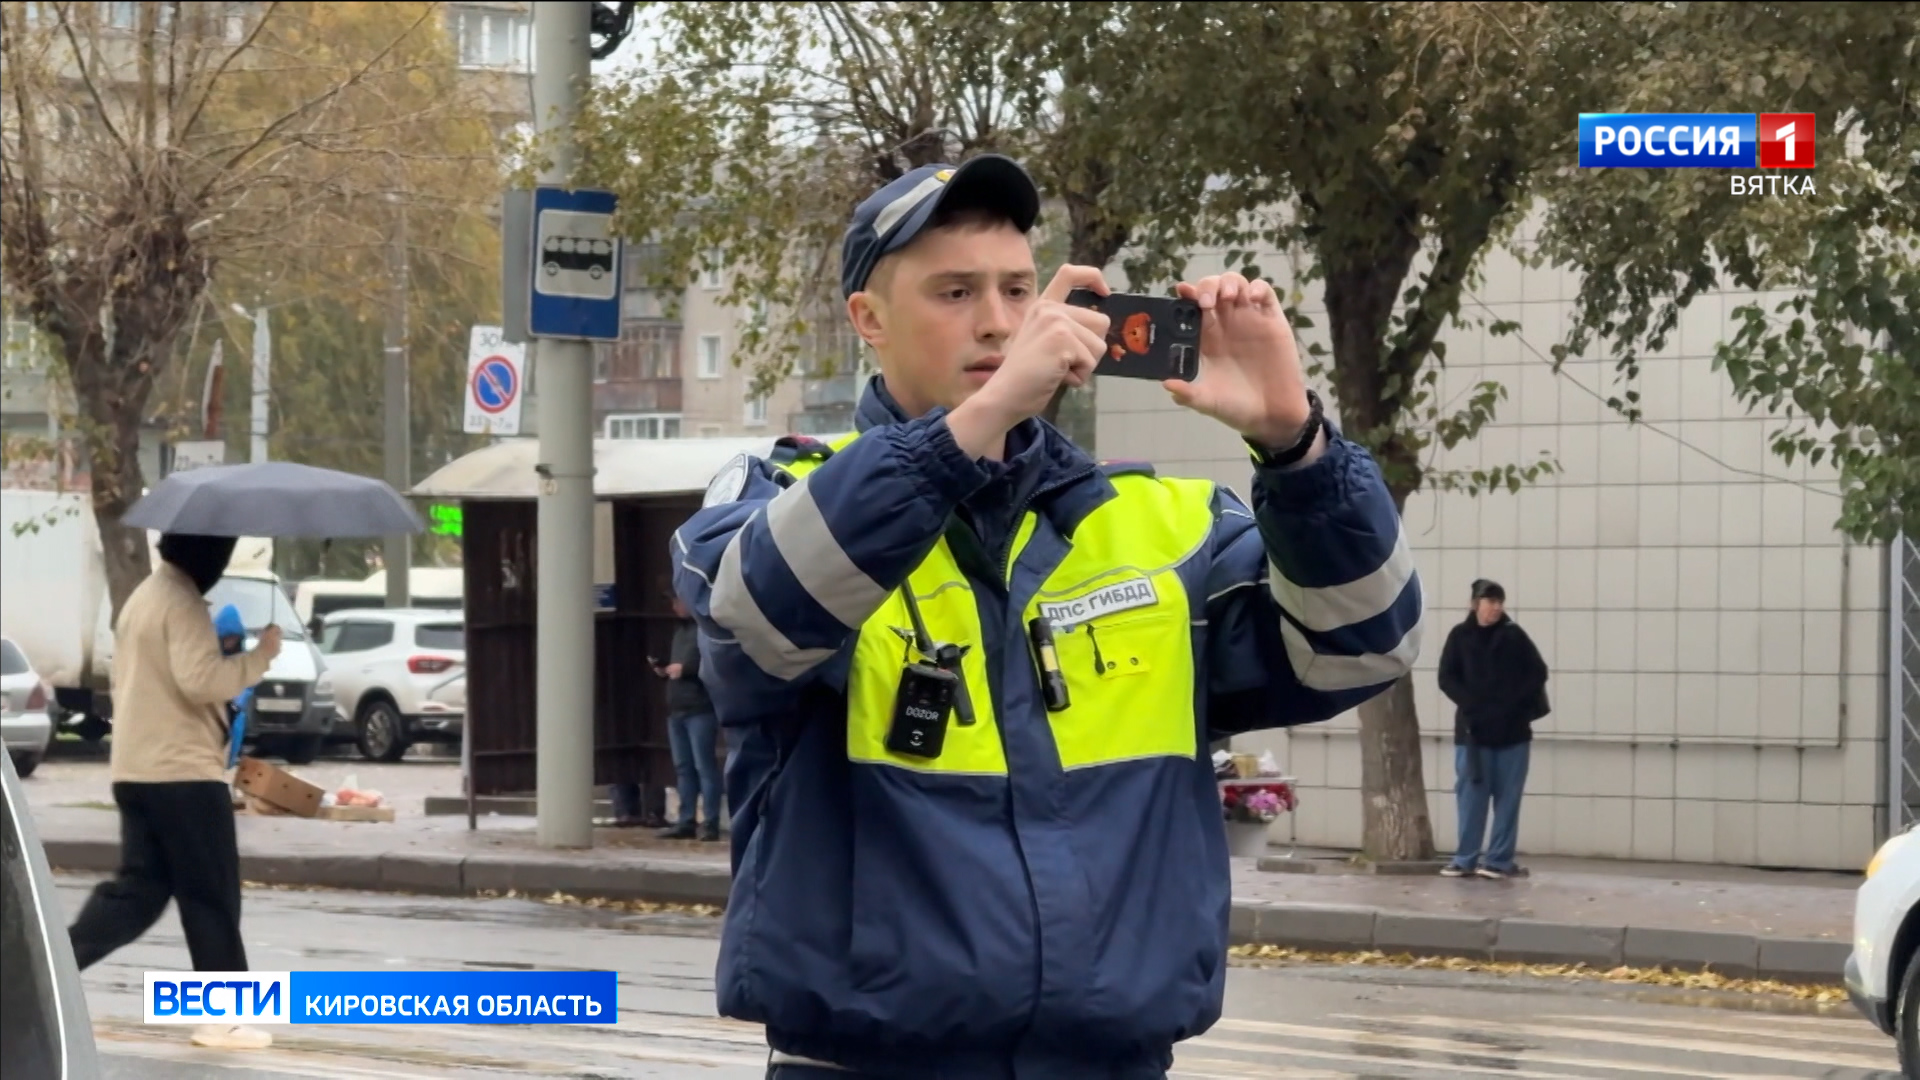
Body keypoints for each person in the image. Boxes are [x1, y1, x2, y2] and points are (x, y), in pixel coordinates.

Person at [671, 153, 1423, 1079]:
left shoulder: (1164, 525)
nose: (998, 321)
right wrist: (973, 426)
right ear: (869, 319)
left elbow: (1364, 648)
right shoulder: (784, 492)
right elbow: (754, 619)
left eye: (1018, 290)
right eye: (955, 292)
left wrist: (1296, 446)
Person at [67, 534, 282, 1051]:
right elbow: (200, 681)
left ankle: (41, 971)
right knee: (211, 895)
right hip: (184, 773)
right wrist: (261, 656)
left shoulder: (144, 598)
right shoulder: (181, 603)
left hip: (138, 770)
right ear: (207, 554)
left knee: (136, 895)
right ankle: (224, 1017)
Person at [1437, 579, 1549, 881]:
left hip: (1512, 733)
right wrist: (1471, 702)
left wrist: (1512, 703)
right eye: (1491, 602)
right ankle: (1465, 859)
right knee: (1470, 799)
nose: (1496, 608)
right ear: (1476, 604)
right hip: (1472, 733)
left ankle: (1499, 860)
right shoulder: (1460, 636)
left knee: (1507, 800)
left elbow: (1538, 672)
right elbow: (1446, 677)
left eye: (1500, 602)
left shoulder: (1514, 636)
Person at [655, 594, 723, 841]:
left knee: (703, 766)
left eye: (680, 602)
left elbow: (712, 663)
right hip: (677, 707)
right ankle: (686, 820)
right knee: (684, 767)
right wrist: (666, 669)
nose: (676, 607)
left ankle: (711, 822)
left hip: (699, 707)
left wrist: (685, 669)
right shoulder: (680, 631)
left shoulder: (704, 630)